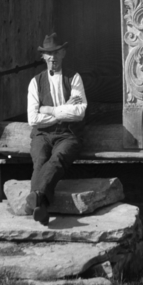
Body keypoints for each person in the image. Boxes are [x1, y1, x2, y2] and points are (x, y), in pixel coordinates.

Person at [26, 32, 87, 224]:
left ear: (63, 54)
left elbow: (79, 112)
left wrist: (50, 110)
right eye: (48, 54)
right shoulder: (36, 82)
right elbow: (33, 119)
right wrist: (63, 110)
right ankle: (41, 206)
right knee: (40, 160)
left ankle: (36, 200)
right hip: (42, 134)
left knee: (57, 158)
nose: (52, 57)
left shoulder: (74, 78)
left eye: (56, 52)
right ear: (43, 56)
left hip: (68, 134)